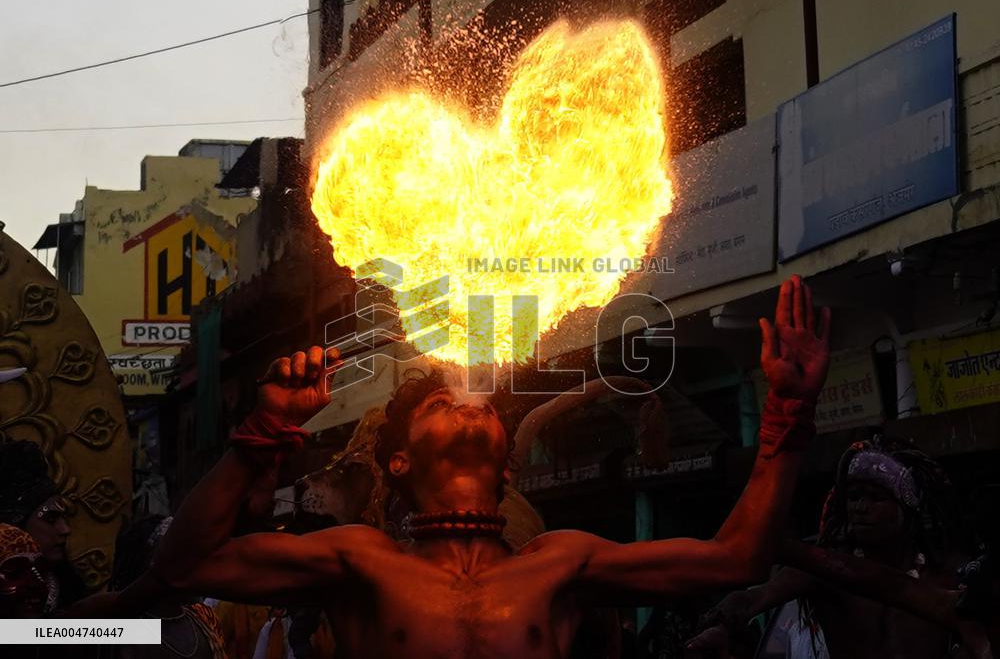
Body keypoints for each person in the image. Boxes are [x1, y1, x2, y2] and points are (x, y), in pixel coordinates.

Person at [80, 275, 831, 658]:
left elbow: (738, 558)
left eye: (478, 405)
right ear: (399, 457)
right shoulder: (359, 560)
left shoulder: (561, 561)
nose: (471, 401)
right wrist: (266, 425)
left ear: (505, 455)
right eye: (440, 402)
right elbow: (184, 568)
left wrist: (785, 418)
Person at [686, 439, 976, 659]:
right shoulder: (826, 570)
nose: (861, 508)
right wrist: (721, 626)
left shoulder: (947, 578)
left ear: (908, 509)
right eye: (854, 497)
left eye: (876, 498)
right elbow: (752, 599)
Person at [108, 515, 227, 659]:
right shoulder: (125, 627)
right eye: (184, 558)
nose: (196, 567)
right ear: (152, 564)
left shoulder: (202, 617)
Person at [0, 440, 86, 612]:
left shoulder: (66, 585)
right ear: (15, 526)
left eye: (63, 518)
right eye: (50, 519)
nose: (65, 529)